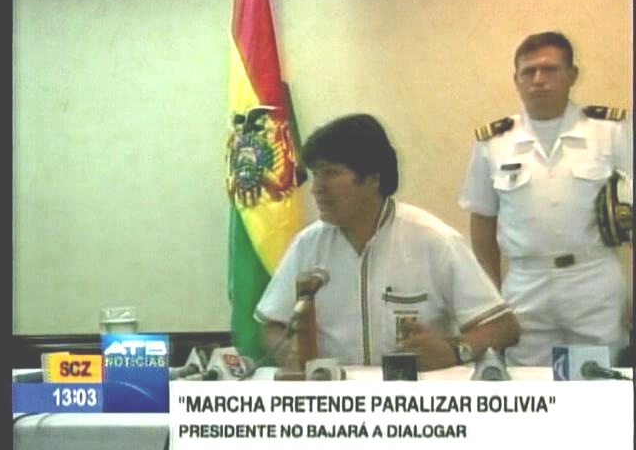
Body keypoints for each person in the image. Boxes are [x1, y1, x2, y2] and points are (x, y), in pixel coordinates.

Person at [254, 113, 520, 371]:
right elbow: (272, 324)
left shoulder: (433, 239)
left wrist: (454, 351)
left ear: (373, 178)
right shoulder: (309, 244)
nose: (316, 188)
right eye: (315, 175)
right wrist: (290, 352)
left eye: (330, 173)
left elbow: (503, 327)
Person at [459, 31, 632, 367]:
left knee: (597, 378)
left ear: (572, 75)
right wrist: (491, 298)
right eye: (529, 71)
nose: (538, 79)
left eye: (550, 69)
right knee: (529, 381)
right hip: (525, 284)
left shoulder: (612, 132)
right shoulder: (494, 142)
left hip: (592, 279)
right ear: (517, 80)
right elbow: (482, 223)